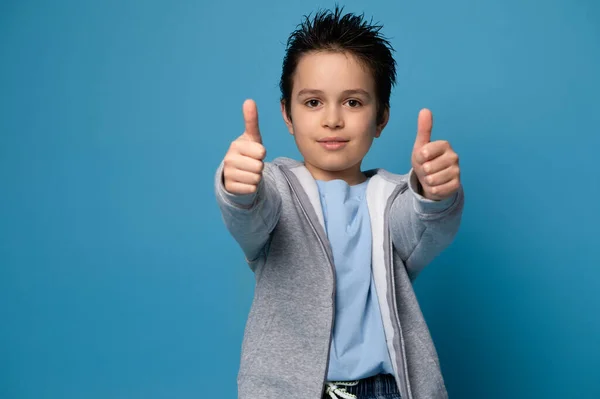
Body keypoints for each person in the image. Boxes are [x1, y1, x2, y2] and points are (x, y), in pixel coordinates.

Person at [214, 6, 464, 399]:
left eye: (353, 102)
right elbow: (250, 217)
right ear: (287, 114)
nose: (332, 119)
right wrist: (239, 188)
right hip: (295, 390)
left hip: (388, 388)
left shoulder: (392, 197)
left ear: (380, 118)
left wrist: (433, 191)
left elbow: (424, 226)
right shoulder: (276, 189)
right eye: (313, 102)